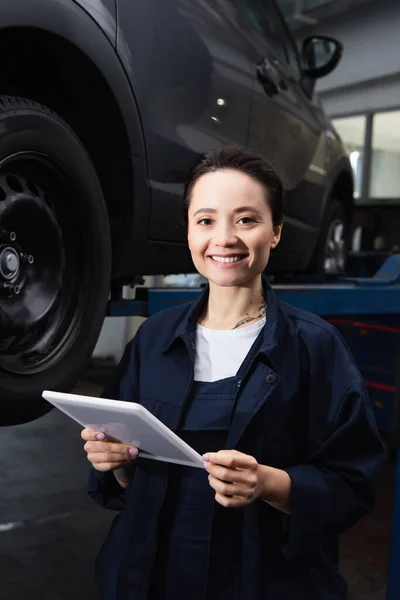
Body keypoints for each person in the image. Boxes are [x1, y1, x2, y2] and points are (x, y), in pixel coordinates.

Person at [82, 146, 383, 600]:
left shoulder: (314, 346)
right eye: (205, 220)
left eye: (246, 219)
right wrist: (116, 463)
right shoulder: (154, 339)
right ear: (188, 231)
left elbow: (354, 483)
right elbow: (128, 481)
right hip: (148, 577)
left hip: (262, 579)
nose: (223, 238)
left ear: (276, 232)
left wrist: (267, 482)